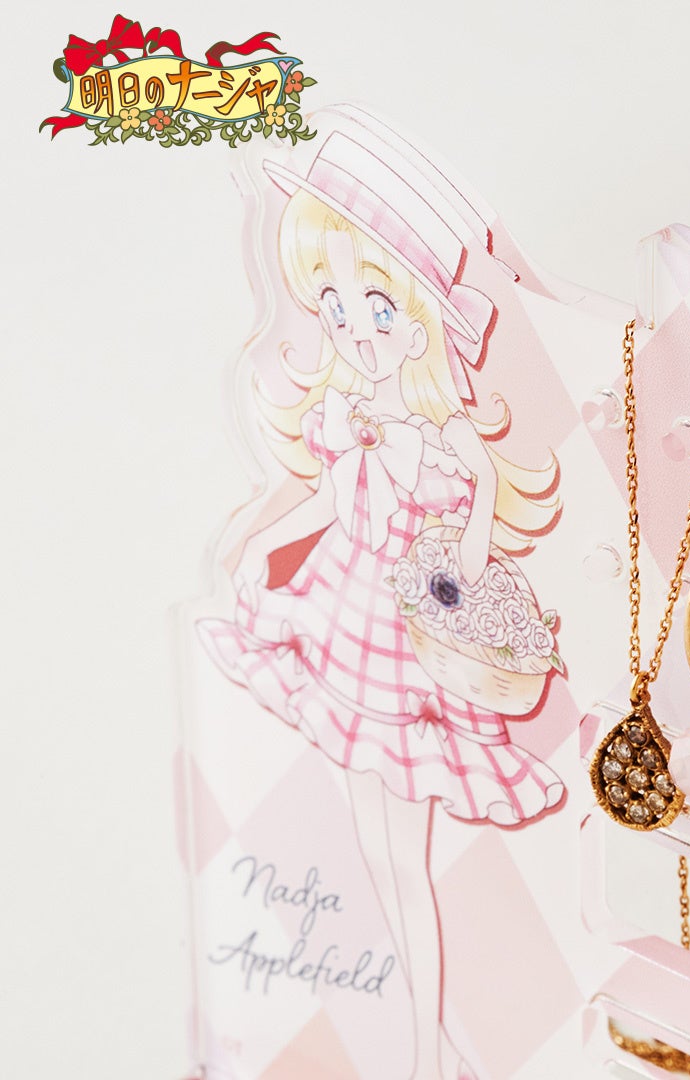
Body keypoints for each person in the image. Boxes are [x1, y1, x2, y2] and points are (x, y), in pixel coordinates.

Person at [198, 128, 564, 1080]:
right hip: (342, 627)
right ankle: (427, 1038)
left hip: (405, 650)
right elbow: (326, 502)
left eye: (375, 306)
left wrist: (466, 548)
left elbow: (476, 519)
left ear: (420, 320)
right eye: (332, 303)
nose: (354, 330)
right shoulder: (345, 414)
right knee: (380, 856)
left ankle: (427, 1053)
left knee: (407, 863)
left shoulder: (440, 438)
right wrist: (256, 548)